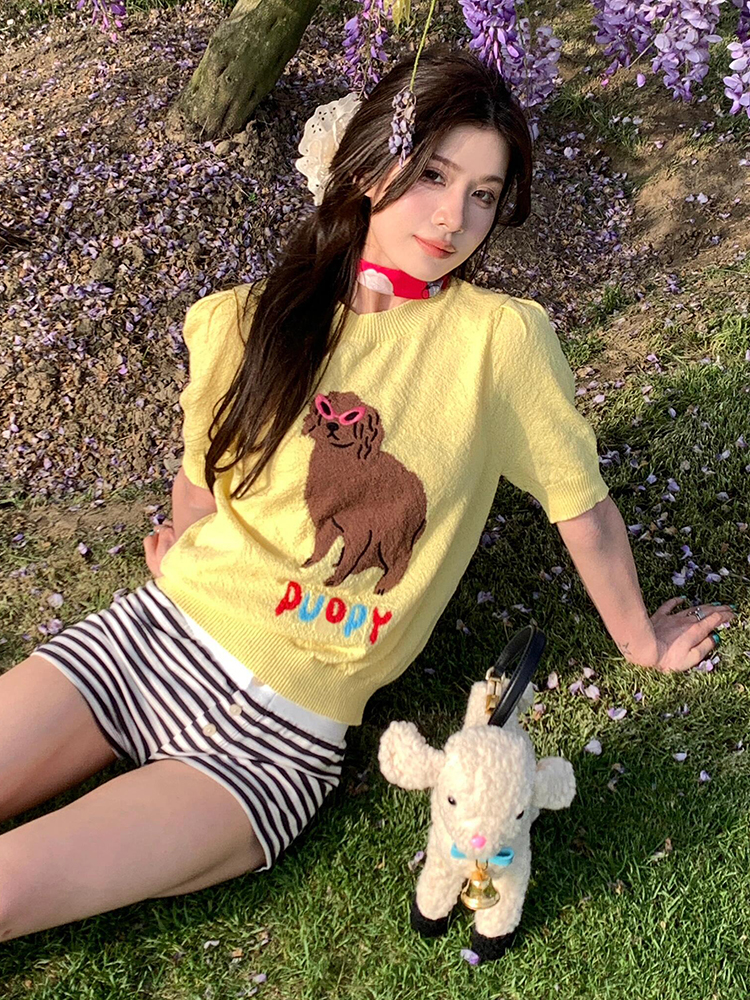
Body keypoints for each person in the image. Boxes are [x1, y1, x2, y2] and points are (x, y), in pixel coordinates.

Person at [0, 44, 736, 943]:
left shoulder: (497, 343)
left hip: (276, 743)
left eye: (484, 195)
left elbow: (580, 506)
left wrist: (641, 641)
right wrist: (187, 550)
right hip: (147, 643)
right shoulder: (246, 319)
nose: (454, 216)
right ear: (368, 165)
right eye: (433, 174)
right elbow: (201, 481)